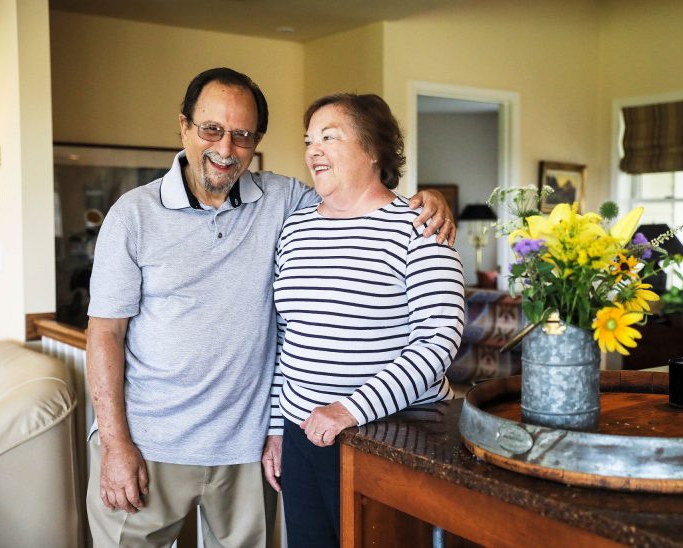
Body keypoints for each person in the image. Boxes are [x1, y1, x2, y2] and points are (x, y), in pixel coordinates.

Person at [85, 68, 455, 547]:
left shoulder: (286, 203)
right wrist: (115, 445)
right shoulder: (133, 214)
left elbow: (361, 204)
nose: (225, 148)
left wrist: (431, 199)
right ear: (184, 126)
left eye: (242, 135)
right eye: (211, 129)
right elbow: (105, 335)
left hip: (248, 449)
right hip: (151, 444)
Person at [262, 93, 465, 547]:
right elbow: (288, 339)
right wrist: (278, 428)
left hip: (390, 438)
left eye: (329, 137)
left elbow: (439, 340)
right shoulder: (295, 229)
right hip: (302, 437)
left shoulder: (419, 227)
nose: (313, 150)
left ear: (373, 149)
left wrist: (349, 410)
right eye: (309, 139)